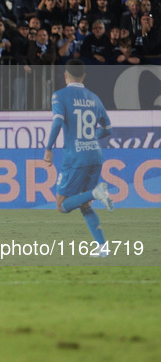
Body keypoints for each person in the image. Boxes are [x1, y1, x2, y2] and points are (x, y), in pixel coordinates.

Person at [43, 59, 113, 257]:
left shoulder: (60, 96)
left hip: (76, 157)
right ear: (84, 76)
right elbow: (108, 129)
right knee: (84, 204)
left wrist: (48, 148)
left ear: (65, 75)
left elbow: (57, 122)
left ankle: (96, 192)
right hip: (95, 154)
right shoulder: (94, 98)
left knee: (62, 205)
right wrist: (90, 138)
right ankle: (103, 248)